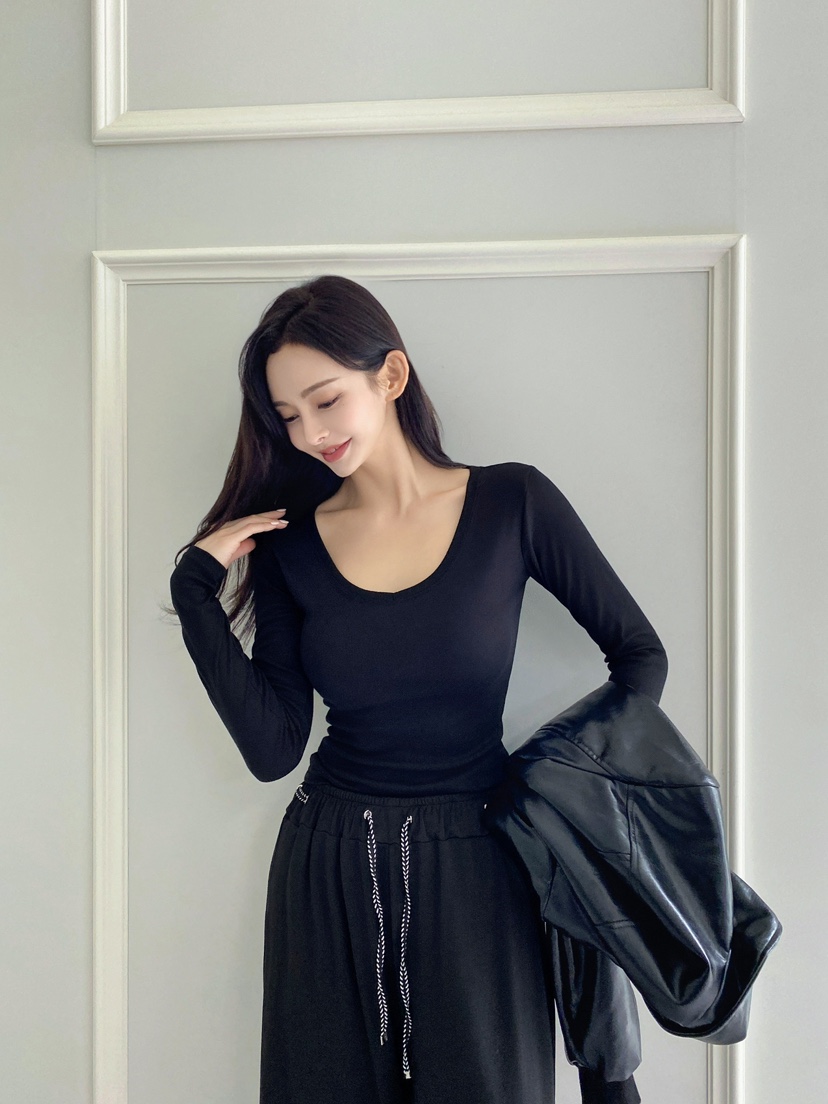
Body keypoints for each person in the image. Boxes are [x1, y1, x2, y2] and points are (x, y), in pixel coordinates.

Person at [167, 274, 668, 1104]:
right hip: (328, 865)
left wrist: (560, 787)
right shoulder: (294, 548)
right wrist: (195, 593)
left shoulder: (513, 502)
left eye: (326, 401)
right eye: (287, 416)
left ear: (390, 375)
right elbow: (273, 750)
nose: (310, 434)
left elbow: (639, 655)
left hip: (481, 865)